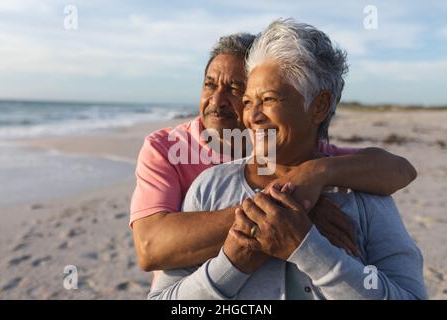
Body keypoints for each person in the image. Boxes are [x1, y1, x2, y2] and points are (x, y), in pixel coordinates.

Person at [147, 18, 427, 300]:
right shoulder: (211, 186)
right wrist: (232, 265)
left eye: (268, 100)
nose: (253, 117)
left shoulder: (362, 195)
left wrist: (307, 248)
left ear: (319, 106)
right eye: (247, 102)